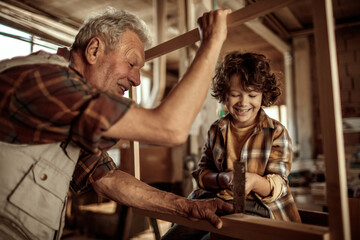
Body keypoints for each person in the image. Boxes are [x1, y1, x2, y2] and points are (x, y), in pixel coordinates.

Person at [0, 7, 234, 240]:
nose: (137, 80)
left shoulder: (69, 111)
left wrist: (186, 207)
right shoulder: (48, 80)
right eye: (131, 64)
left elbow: (106, 177)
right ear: (94, 50)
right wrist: (211, 42)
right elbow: (170, 128)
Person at [161, 51, 301, 240]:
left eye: (252, 94)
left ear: (263, 95)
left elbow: (279, 186)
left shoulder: (276, 132)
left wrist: (253, 182)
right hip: (213, 202)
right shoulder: (216, 130)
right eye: (235, 94)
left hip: (258, 207)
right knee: (173, 237)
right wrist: (222, 179)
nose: (243, 102)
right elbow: (202, 175)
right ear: (224, 94)